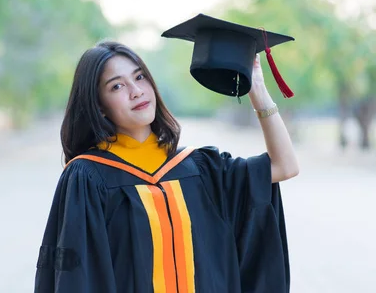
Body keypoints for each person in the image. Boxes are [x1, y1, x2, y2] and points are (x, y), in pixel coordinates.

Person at [34, 19, 299, 293]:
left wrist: (256, 88)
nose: (136, 91)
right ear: (99, 106)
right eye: (117, 86)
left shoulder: (200, 168)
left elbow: (285, 165)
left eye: (139, 77)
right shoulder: (88, 178)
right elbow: (76, 279)